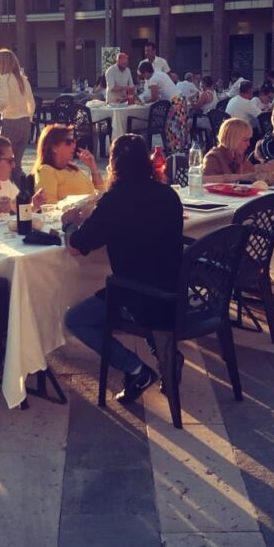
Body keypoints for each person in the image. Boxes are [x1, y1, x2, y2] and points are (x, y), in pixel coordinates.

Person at [64, 134, 182, 403]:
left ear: (114, 164)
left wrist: (69, 223)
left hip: (140, 298)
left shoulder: (116, 200)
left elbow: (76, 246)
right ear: (147, 161)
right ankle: (166, 354)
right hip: (176, 289)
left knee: (76, 319)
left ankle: (136, 369)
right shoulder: (168, 194)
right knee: (139, 277)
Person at [0, 49, 36, 169]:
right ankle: (21, 186)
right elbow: (31, 103)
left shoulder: (3, 79)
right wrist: (28, 119)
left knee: (3, 164)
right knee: (17, 164)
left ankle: (7, 187)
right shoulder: (23, 79)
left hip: (11, 123)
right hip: (25, 124)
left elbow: (2, 102)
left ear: (1, 64)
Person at [33, 125, 105, 204]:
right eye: (68, 142)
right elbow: (48, 209)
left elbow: (101, 194)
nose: (74, 145)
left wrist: (93, 168)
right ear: (54, 147)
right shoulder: (46, 171)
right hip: (75, 215)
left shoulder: (72, 168)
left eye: (74, 141)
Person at [203, 118, 256, 183]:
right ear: (233, 139)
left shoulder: (239, 157)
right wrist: (238, 177)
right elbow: (205, 181)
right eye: (245, 140)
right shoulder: (213, 158)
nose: (248, 144)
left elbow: (254, 175)